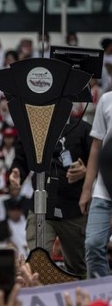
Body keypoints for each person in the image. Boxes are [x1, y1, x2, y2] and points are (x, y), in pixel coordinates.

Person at [9, 115, 91, 277]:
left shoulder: (83, 129)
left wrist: (86, 171)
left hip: (73, 210)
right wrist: (16, 172)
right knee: (37, 264)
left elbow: (97, 162)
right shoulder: (33, 126)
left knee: (79, 267)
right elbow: (21, 158)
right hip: (42, 208)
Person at [80, 90, 112, 278]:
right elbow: (96, 147)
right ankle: (103, 293)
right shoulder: (107, 100)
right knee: (93, 245)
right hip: (103, 189)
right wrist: (86, 190)